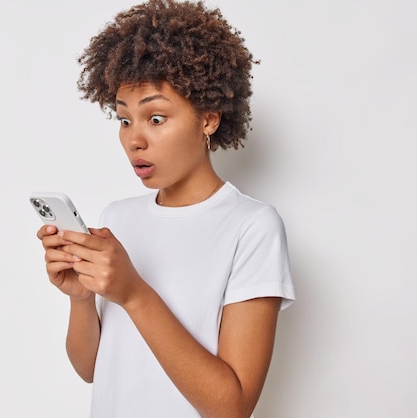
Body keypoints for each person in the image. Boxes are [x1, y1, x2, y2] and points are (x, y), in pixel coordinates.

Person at [36, 0, 295, 416]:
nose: (134, 139)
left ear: (208, 119)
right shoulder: (118, 217)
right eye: (124, 120)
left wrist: (134, 293)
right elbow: (91, 370)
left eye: (155, 118)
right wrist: (81, 299)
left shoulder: (251, 227)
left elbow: (232, 407)